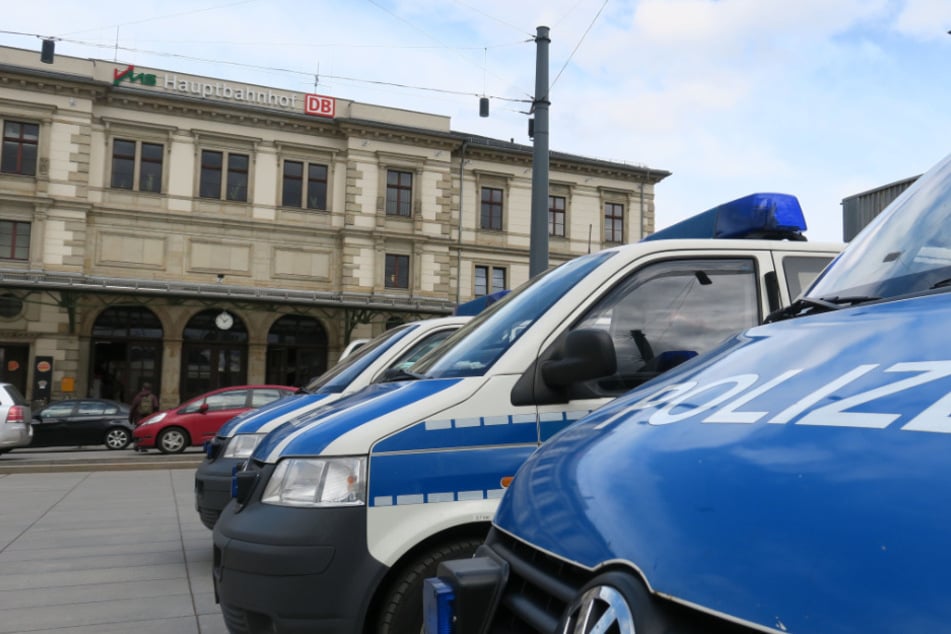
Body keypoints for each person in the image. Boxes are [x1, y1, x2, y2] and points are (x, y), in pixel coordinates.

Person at [129, 383, 159, 452]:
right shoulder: (153, 397)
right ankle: (143, 447)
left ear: (143, 388)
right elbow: (156, 406)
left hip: (138, 417)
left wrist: (130, 418)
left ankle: (136, 444)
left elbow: (133, 408)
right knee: (145, 431)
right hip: (148, 418)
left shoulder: (138, 396)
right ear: (150, 389)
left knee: (137, 431)